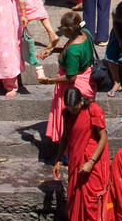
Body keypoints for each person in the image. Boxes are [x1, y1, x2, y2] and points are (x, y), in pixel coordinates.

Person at [53, 86, 111, 221]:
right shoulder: (68, 114)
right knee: (75, 198)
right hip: (76, 160)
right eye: (70, 109)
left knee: (90, 200)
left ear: (81, 101)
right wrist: (58, 159)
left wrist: (91, 162)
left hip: (93, 160)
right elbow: (65, 136)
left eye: (75, 108)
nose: (73, 111)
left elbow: (103, 138)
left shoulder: (94, 110)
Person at [39, 10, 95, 142]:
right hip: (88, 78)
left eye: (62, 29)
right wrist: (53, 50)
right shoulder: (86, 33)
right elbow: (69, 46)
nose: (61, 32)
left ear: (70, 29)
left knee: (69, 122)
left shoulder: (73, 51)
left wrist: (49, 80)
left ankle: (66, 151)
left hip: (73, 86)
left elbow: (71, 77)